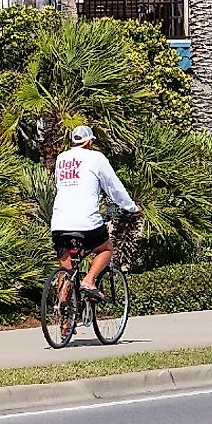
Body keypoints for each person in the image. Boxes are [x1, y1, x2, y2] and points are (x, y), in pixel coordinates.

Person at [50, 123, 136, 297]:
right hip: (86, 222)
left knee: (66, 268)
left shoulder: (61, 159)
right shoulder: (96, 158)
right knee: (106, 248)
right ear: (89, 142)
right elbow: (114, 187)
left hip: (59, 223)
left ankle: (63, 317)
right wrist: (131, 207)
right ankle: (89, 280)